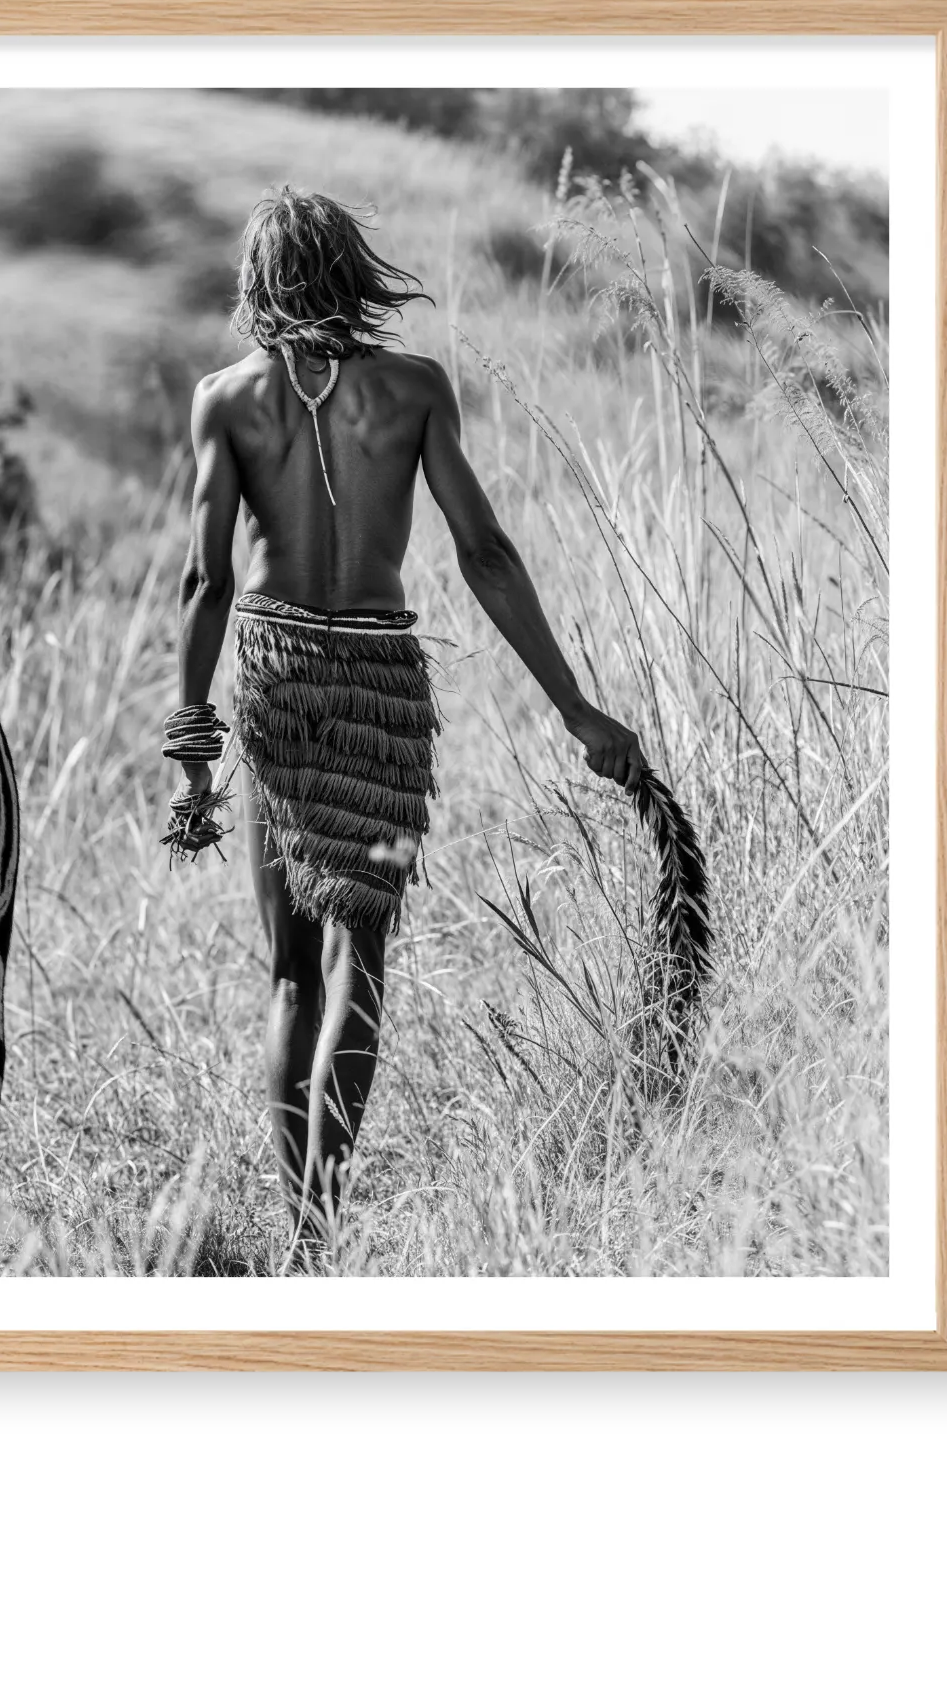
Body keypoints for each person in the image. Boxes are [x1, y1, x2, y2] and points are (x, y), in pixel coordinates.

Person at [170, 186, 647, 1245]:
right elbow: (483, 552)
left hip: (275, 670)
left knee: (290, 971)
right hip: (381, 685)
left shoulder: (225, 398)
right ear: (351, 271)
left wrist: (190, 748)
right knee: (359, 960)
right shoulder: (415, 388)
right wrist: (573, 707)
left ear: (258, 282)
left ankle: (304, 1234)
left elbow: (203, 582)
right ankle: (321, 1223)